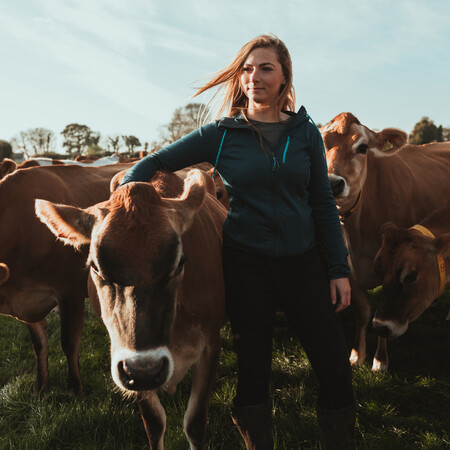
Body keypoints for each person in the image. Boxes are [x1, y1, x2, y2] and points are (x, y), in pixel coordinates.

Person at [120, 33, 355, 450]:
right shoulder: (221, 134)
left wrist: (337, 269)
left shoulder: (305, 134)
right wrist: (124, 193)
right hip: (247, 266)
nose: (254, 77)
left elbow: (321, 203)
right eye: (247, 69)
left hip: (303, 263)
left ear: (284, 77)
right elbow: (153, 162)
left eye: (265, 68)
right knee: (253, 371)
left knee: (335, 366)